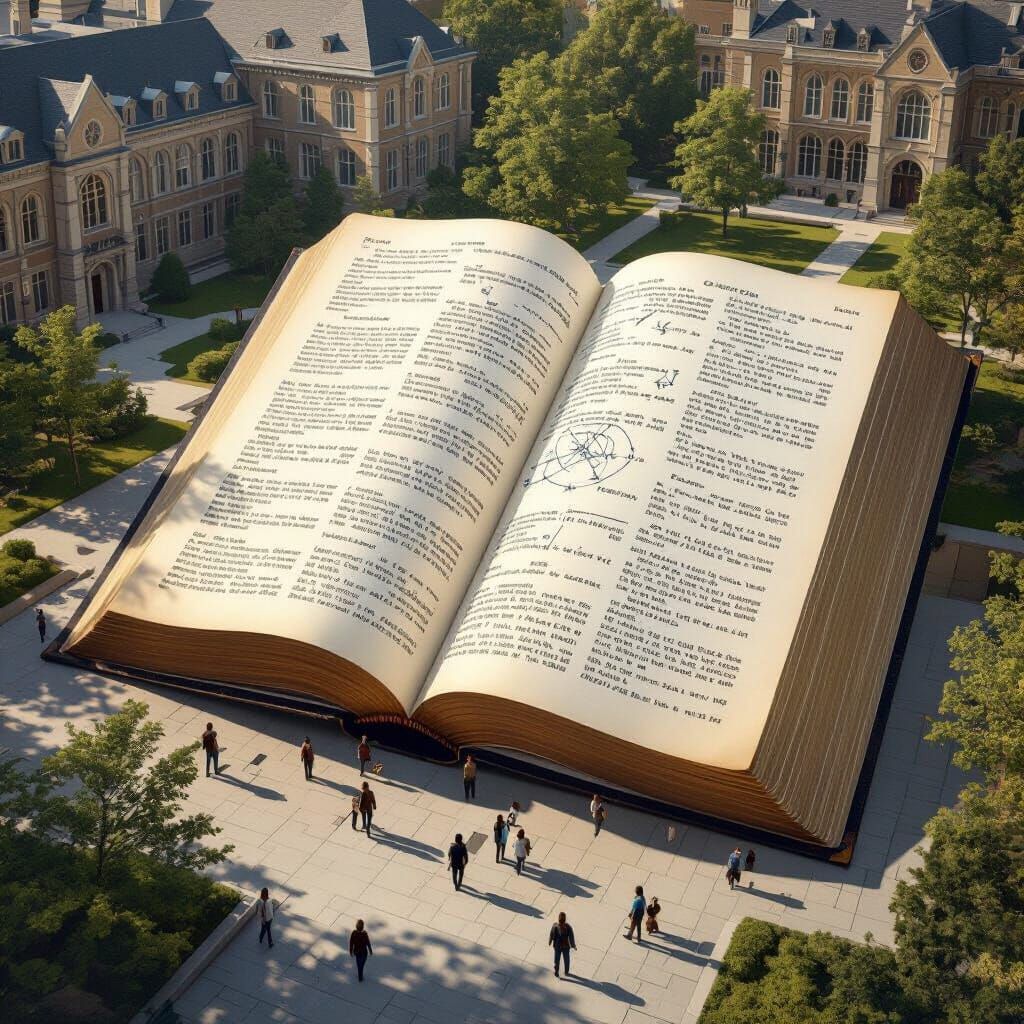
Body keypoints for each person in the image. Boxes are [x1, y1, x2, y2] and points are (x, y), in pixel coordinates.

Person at [549, 911, 577, 977]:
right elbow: (571, 937)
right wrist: (573, 945)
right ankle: (565, 971)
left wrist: (550, 941)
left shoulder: (556, 926)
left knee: (557, 960)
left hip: (558, 946)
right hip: (564, 946)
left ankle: (557, 971)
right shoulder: (567, 927)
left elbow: (551, 934)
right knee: (566, 960)